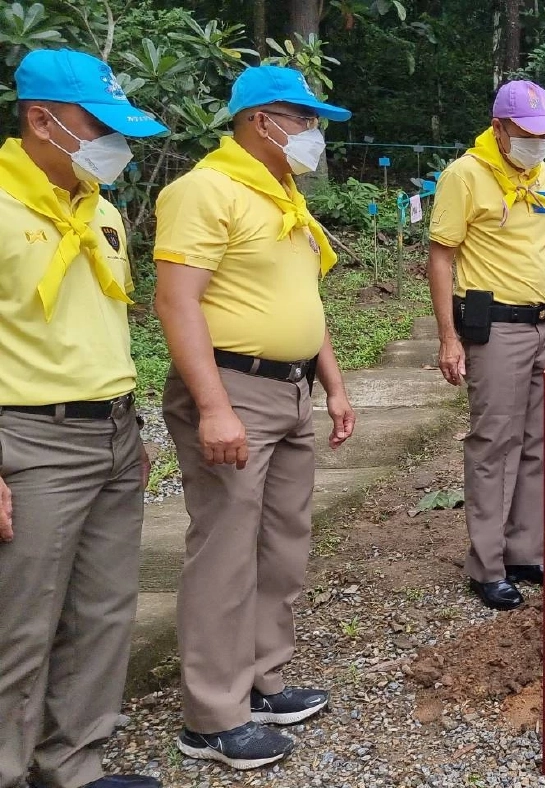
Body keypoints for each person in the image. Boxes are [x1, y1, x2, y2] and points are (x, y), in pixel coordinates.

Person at [154, 65, 357, 768]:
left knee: (282, 543)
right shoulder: (205, 191)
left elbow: (306, 303)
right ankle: (211, 715)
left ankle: (262, 680)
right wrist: (212, 407)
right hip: (234, 387)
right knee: (226, 550)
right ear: (258, 121)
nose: (312, 133)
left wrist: (332, 384)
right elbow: (177, 303)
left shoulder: (283, 198)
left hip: (290, 390)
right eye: (301, 119)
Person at [0, 48, 167, 788]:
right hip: (28, 438)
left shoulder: (99, 209)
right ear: (40, 120)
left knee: (102, 611)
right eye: (98, 126)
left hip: (110, 429)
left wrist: (129, 426)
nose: (117, 144)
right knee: (19, 626)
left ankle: (73, 763)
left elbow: (101, 324)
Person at [428, 81, 545, 611]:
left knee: (539, 440)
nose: (539, 142)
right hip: (497, 327)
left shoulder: (544, 176)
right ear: (500, 128)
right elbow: (441, 257)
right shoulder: (465, 175)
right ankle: (486, 564)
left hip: (542, 322)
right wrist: (448, 336)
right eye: (529, 133)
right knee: (494, 443)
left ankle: (525, 551)